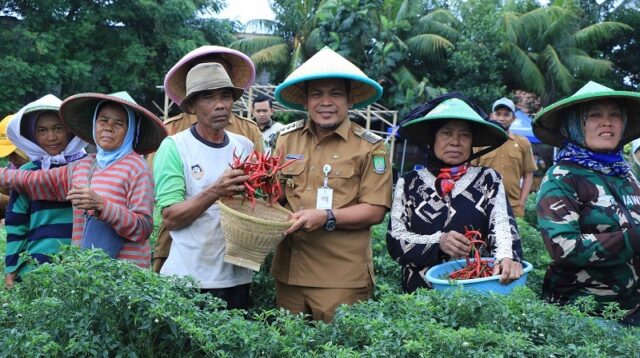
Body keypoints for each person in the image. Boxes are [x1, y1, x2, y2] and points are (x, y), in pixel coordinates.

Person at [272, 47, 392, 322]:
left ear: (350, 100)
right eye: (317, 94)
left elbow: (375, 210)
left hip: (341, 278)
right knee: (287, 347)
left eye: (336, 93)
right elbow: (275, 196)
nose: (326, 102)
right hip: (289, 273)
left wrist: (325, 216)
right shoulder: (286, 140)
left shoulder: (371, 147)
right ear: (305, 101)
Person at [0, 92, 166, 269]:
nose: (109, 127)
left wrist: (102, 206)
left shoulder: (137, 168)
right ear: (94, 124)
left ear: (131, 129)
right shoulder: (84, 165)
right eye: (103, 120)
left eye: (119, 123)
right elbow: (34, 180)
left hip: (125, 278)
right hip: (89, 278)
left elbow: (143, 227)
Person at [386, 96, 524, 293]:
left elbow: (502, 226)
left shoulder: (488, 179)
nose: (455, 142)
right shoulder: (409, 183)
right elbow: (395, 240)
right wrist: (438, 242)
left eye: (465, 135)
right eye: (446, 134)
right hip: (420, 298)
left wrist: (506, 257)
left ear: (472, 142)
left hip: (477, 292)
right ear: (432, 138)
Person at [533, 81, 640, 325]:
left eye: (615, 114)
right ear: (574, 125)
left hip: (631, 304)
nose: (607, 121)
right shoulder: (562, 177)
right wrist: (632, 238)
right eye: (595, 115)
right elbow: (563, 247)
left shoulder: (626, 173)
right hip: (583, 310)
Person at [150, 45, 261, 273]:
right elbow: (170, 217)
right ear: (191, 105)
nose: (219, 105)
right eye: (208, 97)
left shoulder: (245, 145)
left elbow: (256, 203)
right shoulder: (174, 146)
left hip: (237, 274)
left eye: (225, 96)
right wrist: (215, 190)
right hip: (189, 275)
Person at [4, 94, 87, 288]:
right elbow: (17, 224)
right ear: (32, 135)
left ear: (70, 129)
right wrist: (11, 270)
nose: (51, 137)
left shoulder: (87, 167)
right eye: (42, 130)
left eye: (58, 128)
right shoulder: (26, 173)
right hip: (34, 267)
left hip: (79, 268)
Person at [473, 97, 537, 217]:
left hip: (513, 207)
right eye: (498, 114)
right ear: (492, 116)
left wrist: (521, 202)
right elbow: (470, 172)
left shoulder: (523, 142)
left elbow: (528, 174)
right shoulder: (480, 141)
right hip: (483, 204)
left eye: (506, 114)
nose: (501, 118)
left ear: (513, 118)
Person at [0, 114, 28, 220]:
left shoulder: (51, 170)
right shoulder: (12, 167)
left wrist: (4, 202)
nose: (11, 159)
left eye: (14, 153)